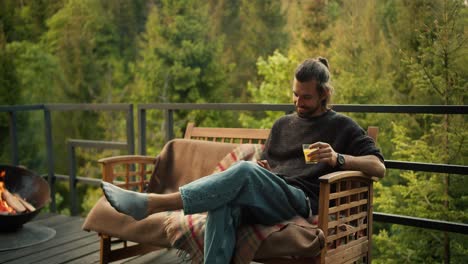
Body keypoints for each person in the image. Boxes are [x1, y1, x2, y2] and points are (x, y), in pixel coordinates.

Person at [101, 57, 386, 264]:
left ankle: (152, 204)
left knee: (245, 172)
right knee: (223, 203)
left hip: (302, 199)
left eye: (306, 97)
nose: (298, 102)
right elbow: (271, 166)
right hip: (270, 194)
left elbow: (378, 167)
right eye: (295, 95)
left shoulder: (342, 126)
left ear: (324, 93)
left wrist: (338, 158)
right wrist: (265, 170)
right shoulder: (282, 125)